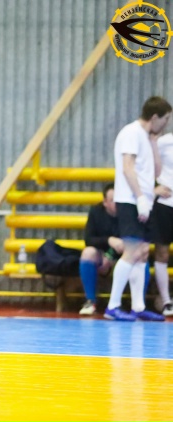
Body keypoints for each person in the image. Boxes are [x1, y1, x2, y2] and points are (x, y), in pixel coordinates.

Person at [104, 96, 171, 321]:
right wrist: (140, 197)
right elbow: (127, 167)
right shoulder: (131, 132)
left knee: (142, 253)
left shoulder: (145, 137)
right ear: (155, 117)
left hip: (144, 201)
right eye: (165, 119)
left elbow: (156, 171)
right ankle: (113, 305)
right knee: (132, 251)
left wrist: (153, 143)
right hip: (130, 200)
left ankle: (138, 306)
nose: (167, 123)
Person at [78, 184, 123, 315]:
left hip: (124, 255)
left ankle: (138, 305)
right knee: (88, 253)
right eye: (113, 200)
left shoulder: (128, 211)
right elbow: (89, 239)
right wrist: (108, 240)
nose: (117, 203)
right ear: (105, 202)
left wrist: (111, 255)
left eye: (119, 199)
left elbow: (132, 238)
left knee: (140, 256)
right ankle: (90, 300)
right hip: (101, 255)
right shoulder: (96, 212)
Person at [152, 132, 173, 316]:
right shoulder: (164, 142)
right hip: (166, 204)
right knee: (162, 252)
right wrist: (153, 188)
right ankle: (166, 301)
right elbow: (142, 164)